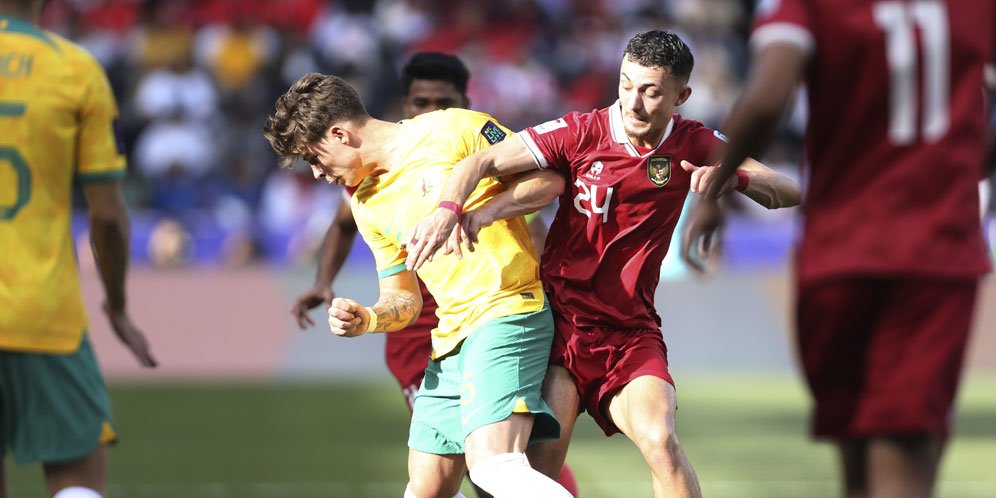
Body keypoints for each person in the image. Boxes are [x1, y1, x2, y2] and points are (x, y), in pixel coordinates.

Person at [406, 30, 802, 498]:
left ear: (682, 96)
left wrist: (731, 175)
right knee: (529, 475)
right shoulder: (580, 132)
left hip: (631, 331)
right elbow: (479, 163)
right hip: (560, 328)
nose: (634, 103)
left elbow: (787, 192)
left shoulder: (694, 143)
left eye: (652, 91)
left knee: (662, 442)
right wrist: (451, 212)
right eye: (626, 84)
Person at [681, 1, 995, 497]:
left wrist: (720, 185)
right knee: (905, 466)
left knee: (857, 463)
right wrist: (961, 164)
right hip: (932, 254)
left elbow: (766, 98)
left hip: (837, 253)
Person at [262, 72, 573, 498]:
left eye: (314, 157)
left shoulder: (453, 128)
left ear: (339, 134)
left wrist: (482, 212)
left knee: (496, 469)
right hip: (449, 342)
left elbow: (552, 178)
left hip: (507, 314)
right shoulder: (365, 203)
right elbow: (404, 298)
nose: (316, 173)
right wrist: (369, 318)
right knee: (423, 493)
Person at [0, 1, 157, 498]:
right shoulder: (74, 68)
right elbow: (108, 215)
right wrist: (116, 303)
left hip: (40, 313)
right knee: (75, 480)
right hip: (41, 310)